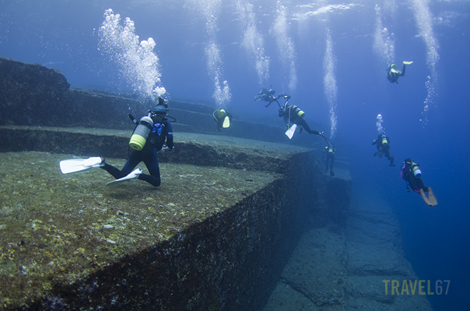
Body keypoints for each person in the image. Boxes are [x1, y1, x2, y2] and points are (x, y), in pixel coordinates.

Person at [100, 97, 174, 187]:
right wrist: (169, 147)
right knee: (156, 182)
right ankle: (139, 175)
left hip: (137, 147)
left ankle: (103, 164)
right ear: (166, 112)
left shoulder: (147, 119)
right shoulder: (166, 123)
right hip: (150, 152)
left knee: (121, 175)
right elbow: (169, 141)